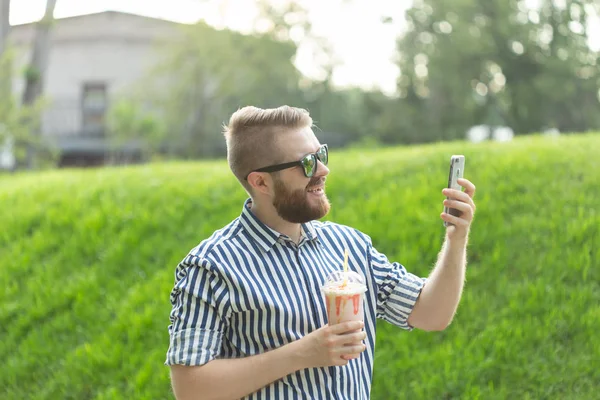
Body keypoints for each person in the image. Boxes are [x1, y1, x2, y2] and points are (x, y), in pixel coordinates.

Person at [165, 105, 477, 399]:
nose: (323, 170)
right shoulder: (210, 267)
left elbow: (432, 314)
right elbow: (190, 387)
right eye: (307, 163)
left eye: (321, 154)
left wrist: (456, 238)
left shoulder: (351, 246)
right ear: (260, 181)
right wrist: (302, 353)